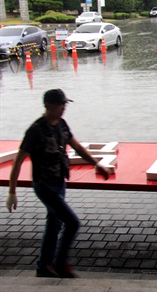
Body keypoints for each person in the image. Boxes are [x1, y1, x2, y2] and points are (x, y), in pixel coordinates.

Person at [5, 89, 110, 278]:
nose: (64, 108)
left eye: (65, 104)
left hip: (60, 182)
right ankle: (61, 263)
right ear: (48, 106)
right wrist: (12, 192)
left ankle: (44, 266)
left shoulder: (61, 125)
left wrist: (97, 164)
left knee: (54, 225)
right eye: (60, 104)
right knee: (72, 222)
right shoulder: (35, 130)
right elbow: (18, 161)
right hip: (44, 185)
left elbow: (77, 146)